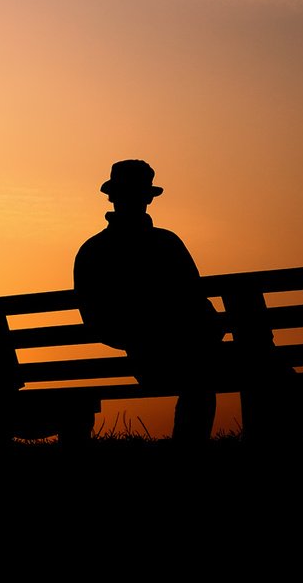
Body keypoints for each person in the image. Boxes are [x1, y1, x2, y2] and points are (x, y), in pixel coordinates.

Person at [73, 160, 223, 443]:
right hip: (183, 357)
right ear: (148, 198)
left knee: (203, 371)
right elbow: (200, 305)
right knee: (231, 368)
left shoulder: (92, 251)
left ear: (111, 196)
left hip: (141, 361)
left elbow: (95, 321)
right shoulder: (167, 243)